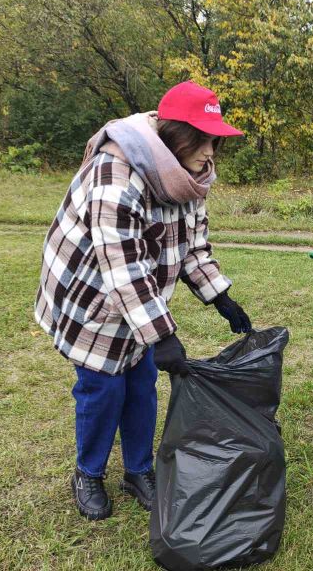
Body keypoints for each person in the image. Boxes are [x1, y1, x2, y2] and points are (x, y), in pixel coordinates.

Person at [34, 81, 252, 521]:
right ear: (175, 134)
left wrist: (220, 295)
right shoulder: (116, 171)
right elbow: (122, 265)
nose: (210, 151)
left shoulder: (189, 178)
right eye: (202, 138)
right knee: (102, 390)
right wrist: (163, 336)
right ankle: (89, 472)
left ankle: (138, 470)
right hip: (92, 296)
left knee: (142, 386)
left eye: (215, 140)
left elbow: (193, 246)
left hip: (139, 300)